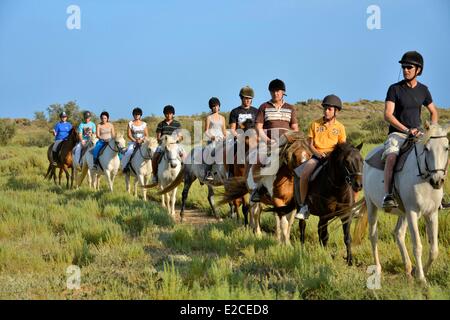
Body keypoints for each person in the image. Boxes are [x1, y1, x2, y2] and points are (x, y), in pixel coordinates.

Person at [382, 51, 438, 210]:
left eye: (409, 67)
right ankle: (388, 195)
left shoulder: (424, 90)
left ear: (418, 70)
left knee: (436, 155)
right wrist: (407, 130)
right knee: (392, 157)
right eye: (403, 67)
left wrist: (431, 131)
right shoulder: (394, 89)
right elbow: (388, 114)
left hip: (419, 134)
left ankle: (437, 195)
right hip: (397, 134)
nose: (405, 70)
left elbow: (434, 111)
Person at [294, 95, 346, 220]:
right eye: (325, 108)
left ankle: (351, 205)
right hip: (318, 156)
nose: (326, 111)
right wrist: (317, 154)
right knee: (304, 174)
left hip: (333, 158)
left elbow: (342, 147)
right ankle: (303, 206)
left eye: (329, 109)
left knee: (350, 174)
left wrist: (333, 155)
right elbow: (309, 144)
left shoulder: (340, 128)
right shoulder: (315, 124)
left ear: (336, 112)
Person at [251, 79, 299, 202]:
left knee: (300, 160)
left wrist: (293, 141)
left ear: (283, 92)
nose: (275, 93)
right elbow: (258, 127)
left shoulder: (290, 108)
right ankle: (258, 188)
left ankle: (300, 191)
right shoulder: (264, 107)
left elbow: (294, 128)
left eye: (278, 91)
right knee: (258, 160)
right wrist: (267, 140)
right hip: (268, 142)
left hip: (286, 143)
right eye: (273, 91)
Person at [151, 105, 184, 184]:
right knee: (154, 158)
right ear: (164, 114)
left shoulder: (177, 124)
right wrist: (163, 141)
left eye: (170, 114)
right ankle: (155, 176)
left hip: (175, 145)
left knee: (184, 157)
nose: (168, 115)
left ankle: (183, 175)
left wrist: (177, 139)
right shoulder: (161, 124)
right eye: (166, 114)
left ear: (173, 114)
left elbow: (181, 136)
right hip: (163, 145)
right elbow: (158, 137)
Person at [204, 97, 227, 181]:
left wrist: (226, 137)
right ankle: (208, 172)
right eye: (213, 106)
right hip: (212, 140)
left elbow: (224, 131)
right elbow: (206, 131)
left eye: (217, 106)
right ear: (211, 107)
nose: (215, 108)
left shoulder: (222, 118)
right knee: (212, 152)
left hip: (221, 139)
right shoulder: (208, 118)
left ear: (219, 106)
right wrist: (211, 137)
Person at [122, 107, 149, 173]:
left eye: (138, 114)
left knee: (150, 152)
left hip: (143, 142)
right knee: (128, 153)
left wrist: (141, 140)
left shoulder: (144, 124)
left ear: (140, 115)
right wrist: (135, 140)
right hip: (133, 142)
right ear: (133, 115)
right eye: (135, 114)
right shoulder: (130, 123)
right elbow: (129, 134)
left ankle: (150, 169)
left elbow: (146, 135)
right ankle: (126, 167)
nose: (136, 116)